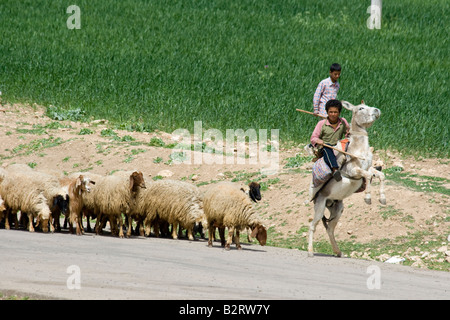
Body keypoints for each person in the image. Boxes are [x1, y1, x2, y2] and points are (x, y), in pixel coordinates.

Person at [310, 99, 349, 181]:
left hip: (338, 146)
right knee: (328, 148)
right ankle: (335, 169)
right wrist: (318, 141)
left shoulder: (343, 122)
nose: (333, 114)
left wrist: (349, 136)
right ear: (327, 112)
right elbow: (313, 138)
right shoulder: (321, 123)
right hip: (324, 147)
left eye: (335, 112)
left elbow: (347, 134)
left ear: (339, 112)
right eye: (331, 112)